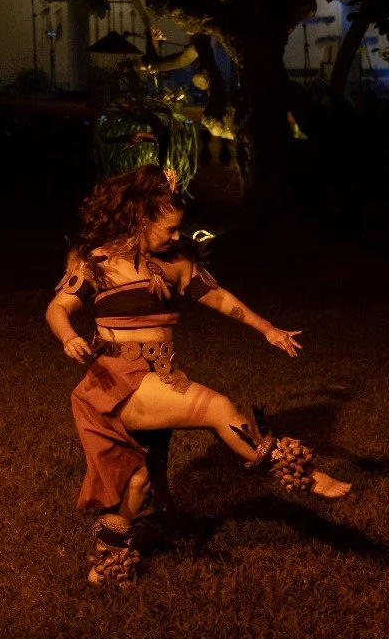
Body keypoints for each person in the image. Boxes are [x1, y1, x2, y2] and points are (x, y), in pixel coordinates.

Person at [46, 164, 351, 585]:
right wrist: (67, 337)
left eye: (179, 229)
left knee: (137, 480)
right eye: (169, 229)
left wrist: (268, 329)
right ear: (139, 219)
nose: (176, 237)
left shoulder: (175, 262)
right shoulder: (99, 262)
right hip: (117, 380)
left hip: (160, 374)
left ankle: (105, 565)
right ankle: (294, 470)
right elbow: (58, 307)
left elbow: (219, 297)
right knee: (217, 407)